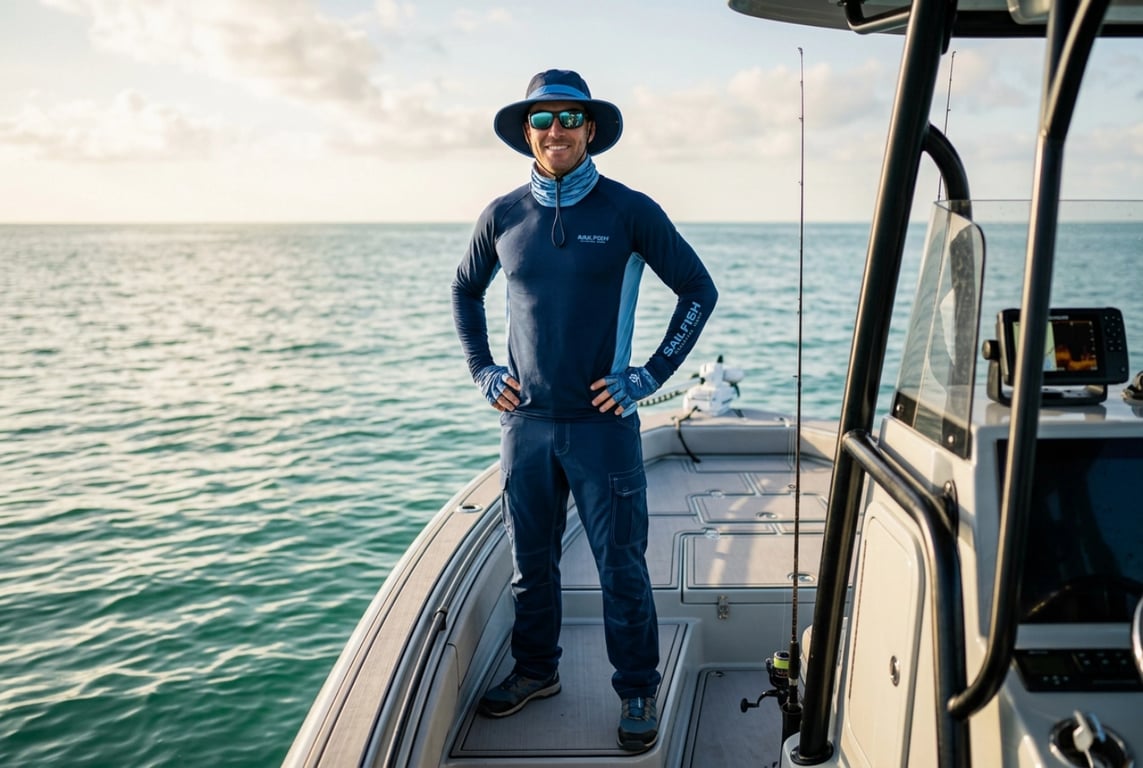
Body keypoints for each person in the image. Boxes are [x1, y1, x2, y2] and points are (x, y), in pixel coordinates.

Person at [451, 69, 717, 753]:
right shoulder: (503, 215)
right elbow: (464, 289)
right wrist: (483, 370)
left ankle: (637, 689)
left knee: (620, 568)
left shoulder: (629, 211)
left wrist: (649, 375)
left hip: (603, 426)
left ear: (590, 129)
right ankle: (536, 671)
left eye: (569, 118)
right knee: (529, 564)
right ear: (527, 132)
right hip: (526, 425)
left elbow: (697, 290)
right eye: (542, 119)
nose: (556, 131)